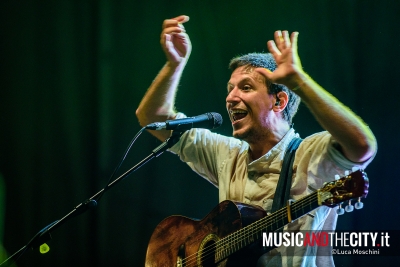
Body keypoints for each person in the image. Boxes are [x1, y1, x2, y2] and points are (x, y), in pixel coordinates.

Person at [136, 15, 377, 267]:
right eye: (230, 88)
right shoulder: (227, 154)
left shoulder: (310, 155)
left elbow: (363, 146)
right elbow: (152, 118)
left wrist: (299, 82)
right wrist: (175, 64)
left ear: (279, 101)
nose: (231, 97)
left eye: (246, 87)